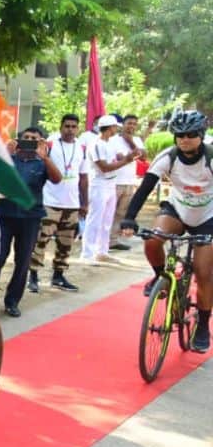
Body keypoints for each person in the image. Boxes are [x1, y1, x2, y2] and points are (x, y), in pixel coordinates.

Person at [120, 110, 213, 351]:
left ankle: (203, 326)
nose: (184, 139)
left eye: (191, 135)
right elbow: (144, 189)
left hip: (207, 217)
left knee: (204, 273)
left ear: (201, 136)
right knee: (152, 240)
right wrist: (129, 218)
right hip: (177, 209)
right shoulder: (168, 157)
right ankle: (161, 277)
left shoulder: (210, 158)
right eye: (179, 135)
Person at [0, 126, 62, 317]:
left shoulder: (42, 162)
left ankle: (12, 301)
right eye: (26, 137)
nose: (29, 141)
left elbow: (57, 179)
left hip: (30, 218)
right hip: (4, 215)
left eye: (34, 138)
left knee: (22, 261)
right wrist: (4, 156)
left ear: (41, 142)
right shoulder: (10, 159)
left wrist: (46, 157)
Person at [30, 113, 88, 293]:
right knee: (41, 240)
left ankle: (58, 276)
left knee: (66, 242)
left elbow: (83, 177)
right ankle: (33, 276)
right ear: (61, 127)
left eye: (73, 126)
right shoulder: (50, 144)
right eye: (67, 126)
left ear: (78, 128)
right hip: (50, 201)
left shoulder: (82, 148)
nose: (70, 130)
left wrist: (84, 203)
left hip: (71, 204)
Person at [81, 114, 133, 263]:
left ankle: (102, 251)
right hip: (99, 184)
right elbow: (103, 167)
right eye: (115, 127)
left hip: (111, 183)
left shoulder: (109, 143)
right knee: (95, 219)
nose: (116, 129)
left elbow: (117, 157)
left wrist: (127, 157)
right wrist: (125, 161)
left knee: (107, 220)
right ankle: (87, 254)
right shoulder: (96, 144)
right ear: (110, 128)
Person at [110, 113, 145, 251]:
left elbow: (143, 156)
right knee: (109, 212)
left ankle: (113, 240)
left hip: (129, 181)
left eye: (134, 124)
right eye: (129, 123)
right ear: (122, 125)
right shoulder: (113, 140)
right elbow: (119, 158)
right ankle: (101, 241)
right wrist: (132, 152)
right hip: (115, 181)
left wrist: (131, 142)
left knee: (121, 213)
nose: (131, 126)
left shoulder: (136, 140)